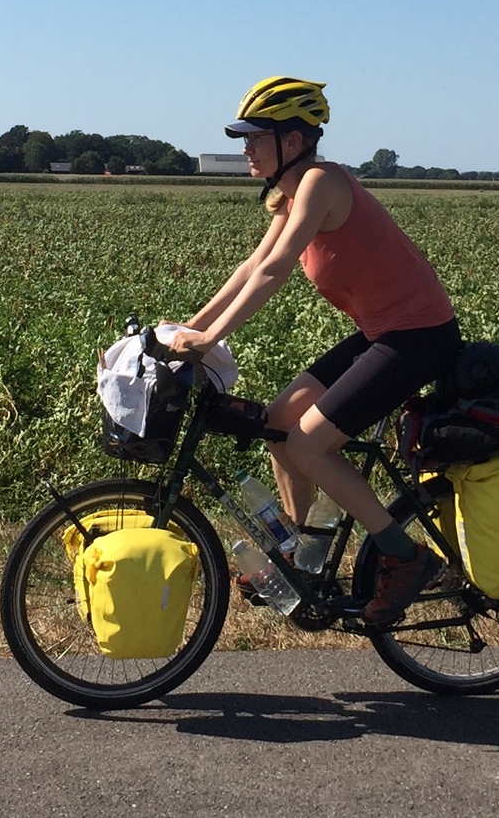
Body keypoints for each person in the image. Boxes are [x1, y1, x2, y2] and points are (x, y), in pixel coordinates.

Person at [166, 77, 462, 622]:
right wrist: (191, 328)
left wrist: (209, 341)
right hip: (381, 332)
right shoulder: (291, 192)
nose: (246, 149)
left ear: (293, 142)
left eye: (255, 138)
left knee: (307, 445)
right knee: (280, 424)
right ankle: (304, 560)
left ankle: (405, 556)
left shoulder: (322, 184)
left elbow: (276, 271)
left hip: (419, 336)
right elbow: (253, 266)